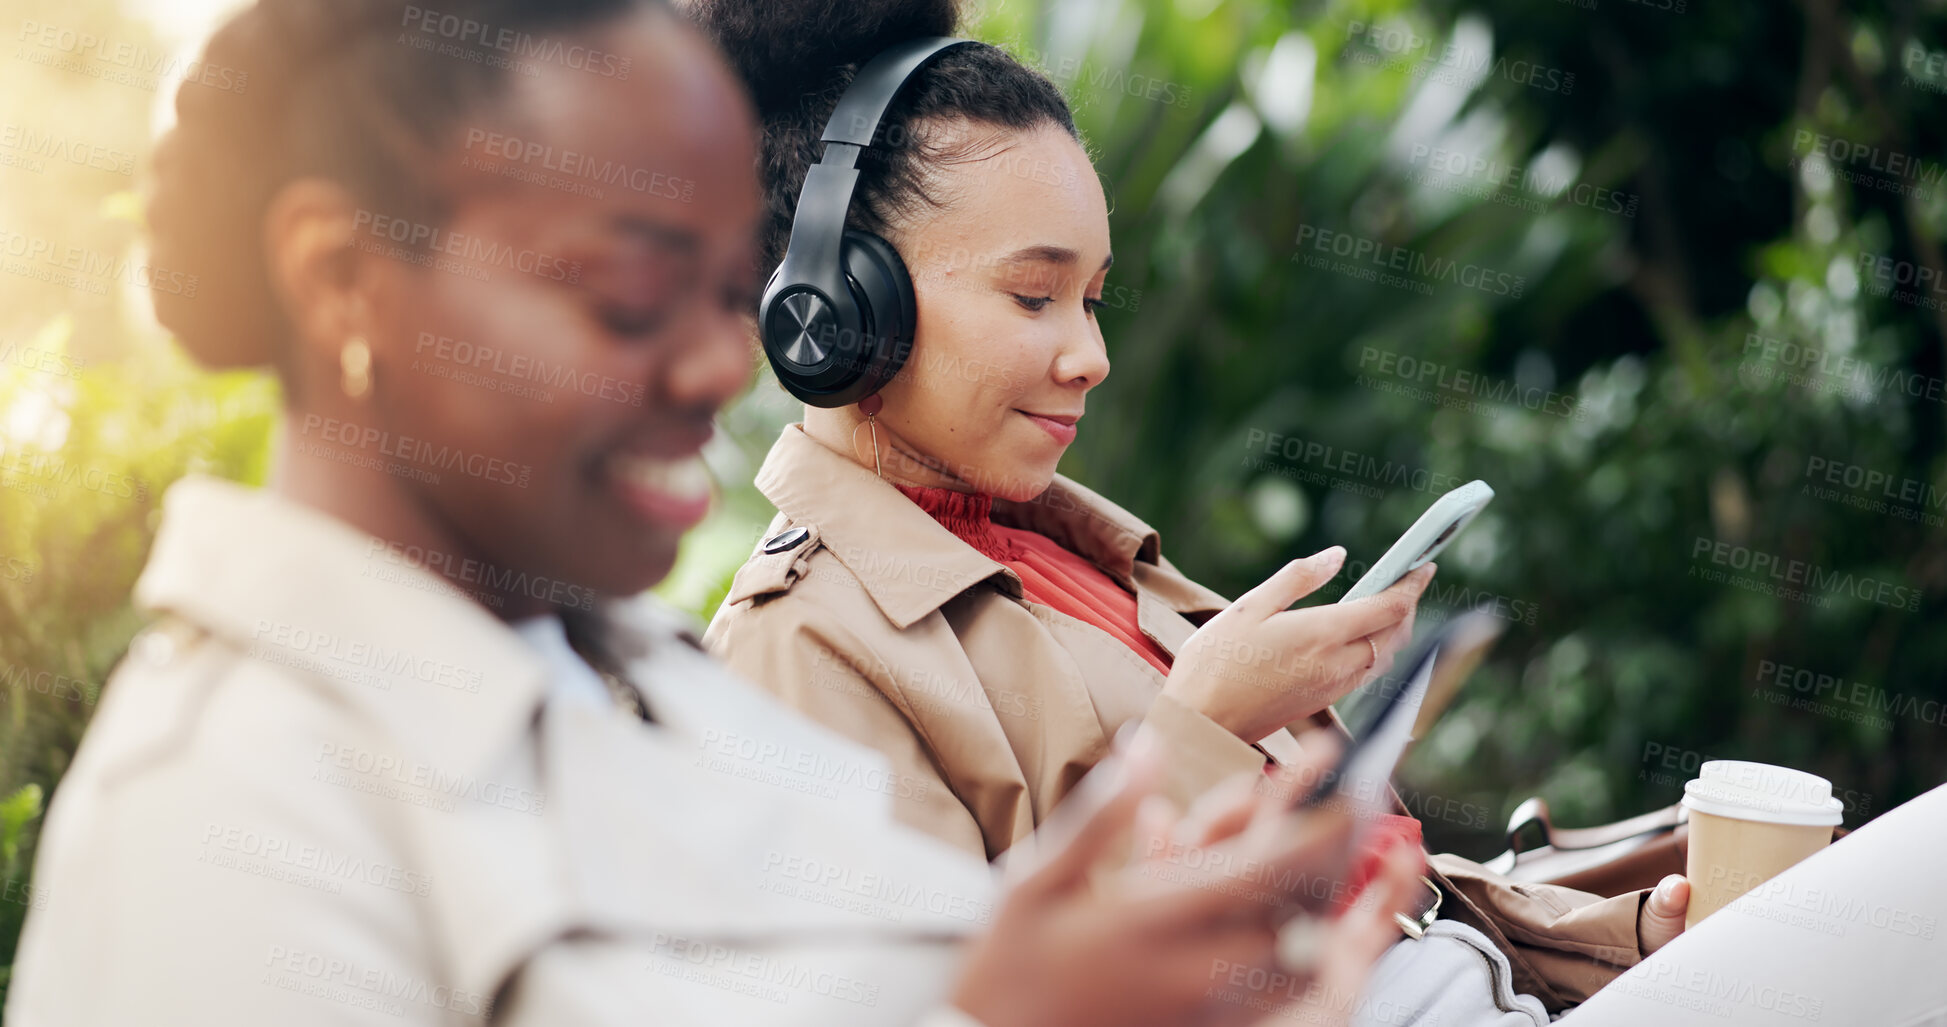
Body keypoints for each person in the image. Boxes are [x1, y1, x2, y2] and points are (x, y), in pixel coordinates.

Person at [3, 1, 1426, 1024]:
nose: (709, 365)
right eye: (624, 294)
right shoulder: (223, 820)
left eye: (719, 292)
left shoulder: (657, 704)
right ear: (341, 279)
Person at [690, 0, 1694, 1012]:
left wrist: (1625, 933)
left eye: (1093, 299)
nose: (1092, 357)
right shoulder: (796, 651)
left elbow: (1366, 893)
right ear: (838, 307)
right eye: (1034, 297)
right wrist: (1204, 726)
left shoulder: (1070, 549)